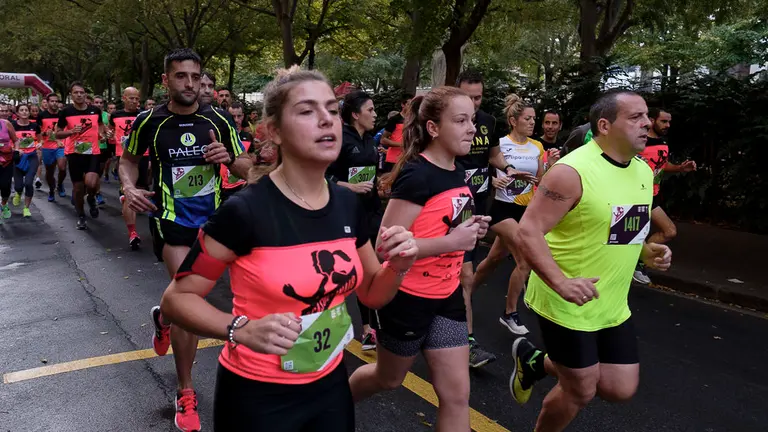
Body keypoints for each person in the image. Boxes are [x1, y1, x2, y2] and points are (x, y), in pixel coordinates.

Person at [159, 66, 417, 432]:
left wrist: (399, 265)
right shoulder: (245, 211)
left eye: (331, 109)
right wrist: (239, 330)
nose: (326, 121)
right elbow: (177, 298)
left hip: (329, 384)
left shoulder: (347, 204)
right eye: (308, 111)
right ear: (275, 132)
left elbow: (373, 294)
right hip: (257, 396)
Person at [509, 91, 673, 432]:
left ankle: (535, 360)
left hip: (611, 302)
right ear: (604, 125)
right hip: (565, 301)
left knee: (619, 387)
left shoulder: (642, 171)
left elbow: (625, 225)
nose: (647, 123)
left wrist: (646, 252)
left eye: (647, 116)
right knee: (580, 389)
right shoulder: (572, 172)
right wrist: (560, 282)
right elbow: (529, 231)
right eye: (635, 117)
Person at [120, 48, 250, 432]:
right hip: (171, 219)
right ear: (166, 80)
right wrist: (128, 186)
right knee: (192, 297)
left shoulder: (219, 119)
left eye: (196, 77)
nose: (190, 84)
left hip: (213, 222)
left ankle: (165, 316)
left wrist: (227, 157)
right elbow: (128, 160)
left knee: (181, 303)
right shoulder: (150, 122)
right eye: (181, 76)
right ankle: (185, 390)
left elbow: (247, 166)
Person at [348, 86, 491, 431]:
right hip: (405, 299)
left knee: (457, 396)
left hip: (447, 296)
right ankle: (329, 404)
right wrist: (451, 241)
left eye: (472, 119)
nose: (471, 127)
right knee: (388, 379)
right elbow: (385, 248)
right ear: (433, 128)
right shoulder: (417, 174)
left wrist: (470, 227)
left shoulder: (458, 169)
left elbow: (441, 223)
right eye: (460, 120)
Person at [469, 95, 555, 340]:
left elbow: (539, 179)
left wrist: (550, 166)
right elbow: (485, 170)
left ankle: (465, 294)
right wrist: (495, 179)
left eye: (533, 119)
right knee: (525, 259)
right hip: (501, 208)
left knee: (494, 259)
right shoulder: (501, 144)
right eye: (527, 118)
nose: (532, 123)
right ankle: (509, 313)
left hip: (526, 210)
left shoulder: (536, 146)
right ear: (513, 120)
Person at [326, 90, 384, 350]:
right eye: (370, 110)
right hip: (341, 213)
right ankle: (323, 321)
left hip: (369, 211)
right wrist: (349, 187)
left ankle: (369, 329)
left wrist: (380, 185)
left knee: (369, 270)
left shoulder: (371, 139)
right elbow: (322, 176)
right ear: (355, 114)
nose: (375, 114)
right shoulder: (339, 139)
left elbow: (371, 173)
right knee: (339, 271)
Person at [453, 70, 498, 368]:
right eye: (467, 98)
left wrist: (507, 170)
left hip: (476, 206)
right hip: (445, 202)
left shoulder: (489, 122)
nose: (474, 103)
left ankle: (466, 342)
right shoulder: (445, 119)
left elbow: (493, 155)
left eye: (478, 97)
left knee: (464, 275)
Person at [633, 108, 696, 284]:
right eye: (663, 121)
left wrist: (680, 168)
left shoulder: (662, 141)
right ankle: (637, 263)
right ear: (652, 120)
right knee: (666, 231)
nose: (667, 125)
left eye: (669, 122)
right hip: (639, 194)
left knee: (655, 232)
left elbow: (661, 164)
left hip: (654, 194)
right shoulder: (640, 141)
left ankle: (636, 261)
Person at [56, 81, 109, 230]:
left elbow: (100, 126)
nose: (79, 95)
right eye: (76, 92)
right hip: (75, 153)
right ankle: (81, 215)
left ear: (85, 94)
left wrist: (102, 135)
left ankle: (91, 198)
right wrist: (71, 132)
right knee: (78, 188)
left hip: (92, 152)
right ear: (71, 95)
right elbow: (57, 133)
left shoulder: (94, 110)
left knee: (92, 183)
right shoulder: (66, 112)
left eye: (81, 92)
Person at [110, 87, 146, 249]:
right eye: (131, 98)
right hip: (125, 157)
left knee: (142, 189)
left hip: (145, 156)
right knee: (129, 191)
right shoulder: (115, 115)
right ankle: (132, 233)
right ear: (124, 98)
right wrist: (110, 136)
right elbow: (111, 130)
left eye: (137, 99)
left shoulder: (144, 115)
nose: (134, 101)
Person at [11, 104, 41, 217]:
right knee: (19, 185)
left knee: (28, 183)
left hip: (31, 156)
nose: (24, 112)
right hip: (18, 158)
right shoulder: (12, 126)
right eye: (21, 110)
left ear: (29, 113)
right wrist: (16, 150)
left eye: (26, 110)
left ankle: (26, 208)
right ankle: (18, 193)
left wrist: (39, 145)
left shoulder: (35, 126)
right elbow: (9, 141)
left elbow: (39, 139)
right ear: (17, 113)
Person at [220, 102, 254, 201]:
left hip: (242, 186)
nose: (236, 120)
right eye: (232, 116)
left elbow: (252, 160)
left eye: (239, 116)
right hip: (223, 188)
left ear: (243, 116)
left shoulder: (248, 136)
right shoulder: (220, 135)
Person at [39, 93, 67, 202]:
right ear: (47, 102)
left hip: (61, 145)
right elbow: (38, 132)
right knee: (49, 172)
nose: (54, 103)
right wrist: (45, 133)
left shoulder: (63, 114)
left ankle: (60, 184)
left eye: (56, 101)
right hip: (47, 146)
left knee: (62, 167)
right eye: (52, 101)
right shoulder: (42, 115)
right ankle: (51, 189)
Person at [380, 93, 412, 173]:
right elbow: (383, 140)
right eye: (409, 104)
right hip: (393, 160)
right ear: (403, 105)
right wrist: (402, 144)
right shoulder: (394, 120)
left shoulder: (414, 120)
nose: (411, 107)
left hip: (408, 159)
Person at [0, 116, 18, 223]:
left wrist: (16, 151)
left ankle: (4, 204)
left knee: (5, 185)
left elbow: (16, 140)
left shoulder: (6, 124)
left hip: (6, 160)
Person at [93, 96, 109, 206]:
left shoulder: (107, 116)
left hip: (103, 146)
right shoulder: (89, 114)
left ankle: (94, 189)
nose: (99, 104)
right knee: (92, 171)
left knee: (99, 172)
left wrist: (106, 136)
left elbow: (110, 130)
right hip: (91, 147)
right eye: (96, 102)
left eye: (100, 102)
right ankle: (97, 193)